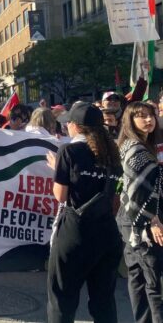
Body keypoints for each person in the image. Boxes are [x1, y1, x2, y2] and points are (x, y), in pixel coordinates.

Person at [47, 102, 123, 323]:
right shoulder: (112, 153)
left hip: (75, 232)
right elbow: (114, 200)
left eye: (68, 122)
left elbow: (61, 195)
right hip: (107, 233)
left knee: (62, 299)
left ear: (76, 126)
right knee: (104, 301)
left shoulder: (69, 150)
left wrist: (57, 171)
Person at [116, 102, 163, 322]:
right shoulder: (137, 150)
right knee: (154, 282)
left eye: (151, 115)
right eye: (141, 116)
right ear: (130, 120)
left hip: (130, 221)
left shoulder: (131, 144)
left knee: (137, 278)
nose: (148, 119)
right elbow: (139, 194)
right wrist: (152, 219)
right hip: (142, 222)